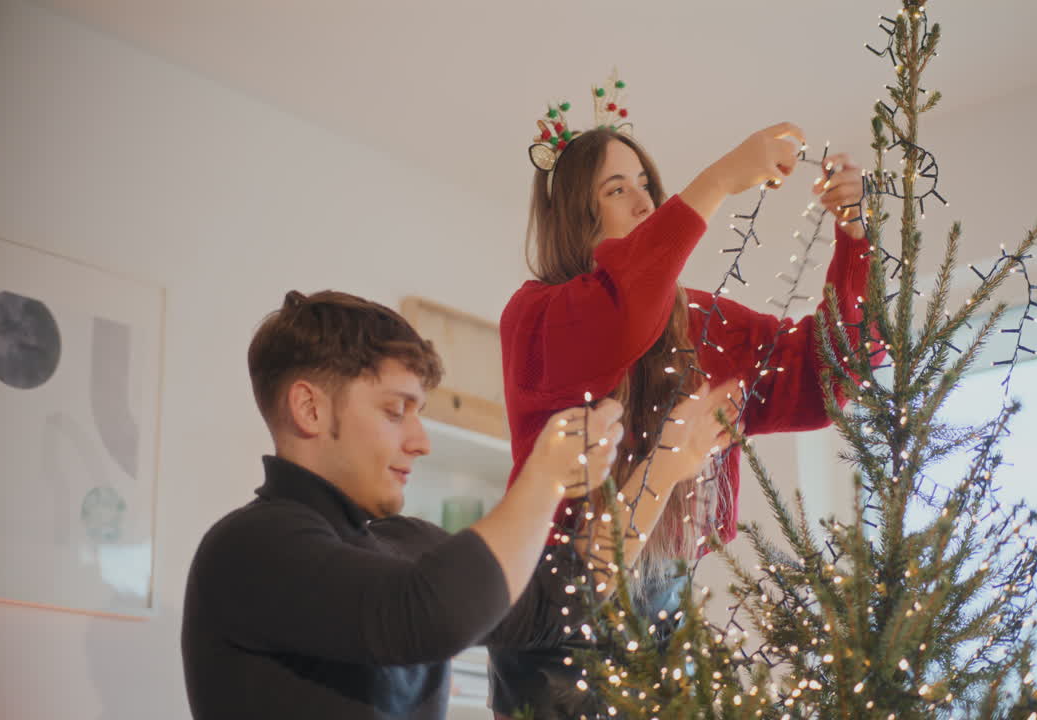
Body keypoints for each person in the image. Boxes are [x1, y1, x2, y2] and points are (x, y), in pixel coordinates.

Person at [490, 114, 877, 718]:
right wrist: (722, 177)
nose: (646, 200)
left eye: (647, 183)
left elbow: (824, 373)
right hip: (556, 630)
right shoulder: (539, 318)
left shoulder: (700, 327)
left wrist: (854, 235)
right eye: (616, 189)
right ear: (574, 218)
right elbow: (619, 313)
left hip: (665, 620)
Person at [181, 289, 624, 719]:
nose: (421, 442)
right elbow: (425, 618)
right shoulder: (248, 548)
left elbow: (558, 604)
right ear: (309, 408)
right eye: (395, 412)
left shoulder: (408, 543)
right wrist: (545, 477)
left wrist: (665, 465)